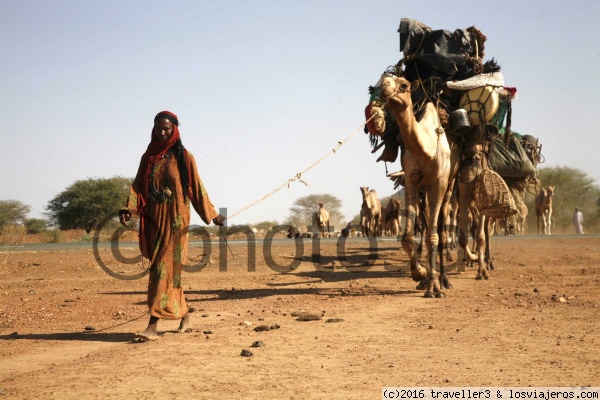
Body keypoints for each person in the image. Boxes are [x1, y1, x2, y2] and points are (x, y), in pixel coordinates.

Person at [119, 111, 225, 341]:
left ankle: (153, 325)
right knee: (169, 271)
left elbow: (197, 188)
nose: (162, 132)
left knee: (162, 270)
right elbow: (138, 185)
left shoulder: (185, 157)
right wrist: (129, 207)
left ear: (175, 130)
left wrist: (213, 215)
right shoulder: (148, 158)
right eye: (159, 128)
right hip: (154, 221)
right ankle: (184, 314)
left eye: (167, 128)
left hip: (177, 223)